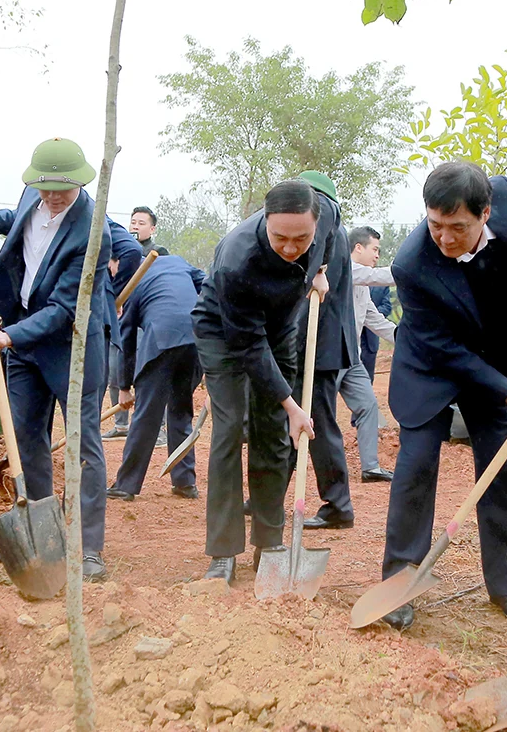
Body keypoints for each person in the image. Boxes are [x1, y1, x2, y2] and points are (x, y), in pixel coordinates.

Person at [379, 162, 507, 630]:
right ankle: (399, 583)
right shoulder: (412, 264)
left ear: (486, 213)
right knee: (415, 467)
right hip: (431, 363)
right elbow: (441, 347)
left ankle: (506, 583)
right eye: (435, 225)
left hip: (493, 353)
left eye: (457, 227)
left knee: (502, 468)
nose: (445, 238)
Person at [0, 137, 116, 581]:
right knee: (26, 438)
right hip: (23, 341)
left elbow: (67, 310)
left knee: (84, 446)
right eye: (44, 189)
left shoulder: (94, 232)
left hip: (73, 347)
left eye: (59, 193)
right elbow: (21, 221)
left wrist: (8, 336)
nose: (50, 198)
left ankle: (87, 549)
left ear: (79, 184)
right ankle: (37, 535)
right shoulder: (36, 192)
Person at [191, 179, 333, 584]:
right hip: (225, 331)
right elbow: (248, 345)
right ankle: (223, 552)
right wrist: (291, 405)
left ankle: (270, 542)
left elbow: (328, 246)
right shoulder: (237, 259)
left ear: (316, 224)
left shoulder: (326, 220)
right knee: (230, 429)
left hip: (280, 328)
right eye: (280, 238)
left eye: (301, 239)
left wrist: (319, 270)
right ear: (265, 222)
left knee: (273, 434)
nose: (291, 248)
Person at [289, 171, 360, 530]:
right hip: (314, 345)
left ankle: (338, 504)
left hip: (320, 345)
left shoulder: (326, 212)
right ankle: (266, 493)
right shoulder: (332, 231)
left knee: (318, 421)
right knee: (294, 416)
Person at [107, 255, 205, 501]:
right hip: (197, 339)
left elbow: (127, 341)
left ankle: (125, 485)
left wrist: (125, 386)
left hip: (161, 340)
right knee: (180, 410)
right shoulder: (178, 262)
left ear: (119, 260)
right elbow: (207, 282)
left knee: (146, 414)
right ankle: (185, 482)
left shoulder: (134, 281)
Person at [348, 225, 397, 477]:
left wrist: (404, 338)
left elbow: (374, 319)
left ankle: (370, 467)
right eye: (374, 249)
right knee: (309, 413)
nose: (377, 255)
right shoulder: (343, 270)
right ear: (358, 248)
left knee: (367, 406)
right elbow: (377, 276)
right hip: (325, 359)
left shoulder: (362, 284)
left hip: (351, 359)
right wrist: (414, 271)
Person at [103, 220, 142, 440]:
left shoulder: (140, 259)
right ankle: (121, 426)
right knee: (115, 372)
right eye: (133, 221)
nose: (111, 269)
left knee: (142, 373)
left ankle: (153, 428)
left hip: (139, 326)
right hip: (118, 325)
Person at [361, 286, 392, 384]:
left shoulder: (382, 286)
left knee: (368, 374)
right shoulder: (350, 280)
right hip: (352, 335)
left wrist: (371, 315)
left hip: (371, 337)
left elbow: (387, 306)